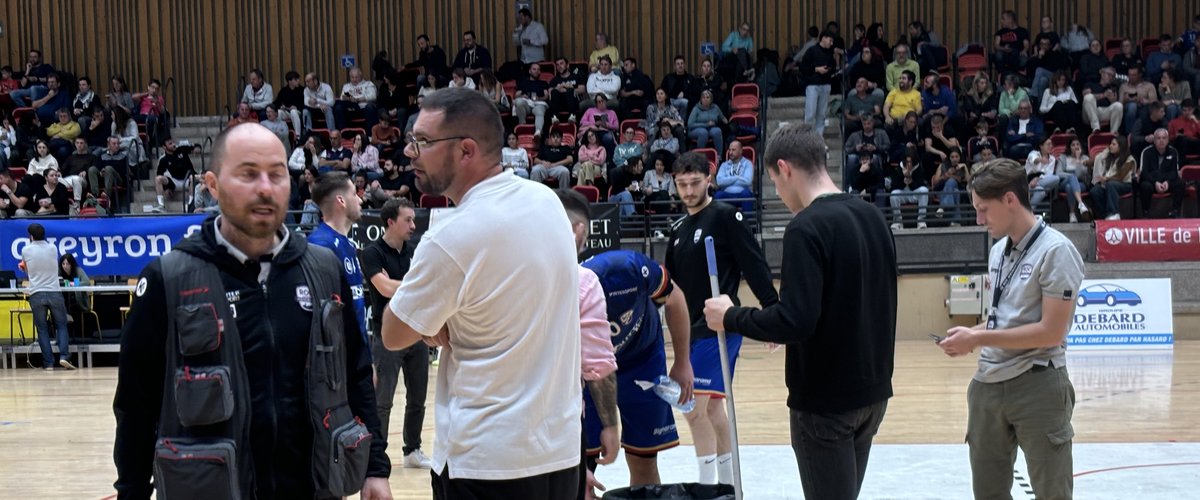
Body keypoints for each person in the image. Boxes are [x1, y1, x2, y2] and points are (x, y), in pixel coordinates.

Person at [113, 124, 392, 499]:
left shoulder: (324, 269)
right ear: (212, 184)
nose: (265, 187)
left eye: (277, 174)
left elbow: (356, 373)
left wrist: (375, 467)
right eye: (248, 173)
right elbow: (136, 402)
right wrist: (131, 490)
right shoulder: (168, 278)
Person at [380, 88, 581, 498]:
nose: (410, 152)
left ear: (466, 150)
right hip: (560, 453)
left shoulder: (452, 236)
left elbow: (394, 333)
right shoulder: (546, 202)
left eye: (422, 141)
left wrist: (434, 321)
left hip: (487, 461)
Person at [701, 122, 895, 499]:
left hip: (826, 404)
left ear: (785, 169)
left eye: (775, 182)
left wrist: (730, 315)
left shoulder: (806, 227)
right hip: (873, 395)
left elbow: (795, 321)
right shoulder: (873, 217)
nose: (778, 191)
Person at [938, 158, 1084, 500]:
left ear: (1009, 200)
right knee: (987, 492)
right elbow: (1002, 319)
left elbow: (1051, 332)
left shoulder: (1056, 251)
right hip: (988, 384)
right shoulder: (998, 251)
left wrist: (979, 337)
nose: (979, 219)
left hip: (1038, 384)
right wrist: (969, 335)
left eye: (983, 209)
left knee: (1053, 492)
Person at [565, 191, 694, 487]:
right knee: (578, 470)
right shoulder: (558, 290)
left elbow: (675, 299)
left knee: (644, 461)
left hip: (643, 361)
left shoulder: (626, 268)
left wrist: (683, 361)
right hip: (590, 374)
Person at [666, 151, 778, 485]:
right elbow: (669, 287)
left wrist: (772, 311)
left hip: (718, 329)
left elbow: (754, 264)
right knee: (712, 409)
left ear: (709, 178)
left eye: (694, 183)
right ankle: (728, 485)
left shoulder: (726, 217)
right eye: (682, 184)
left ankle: (706, 486)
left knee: (693, 409)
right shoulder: (677, 229)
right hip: (691, 332)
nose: (688, 191)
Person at [359, 198, 432, 469]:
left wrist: (399, 283)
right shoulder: (372, 253)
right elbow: (384, 288)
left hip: (418, 333)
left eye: (414, 219)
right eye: (408, 220)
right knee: (383, 401)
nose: (413, 225)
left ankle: (412, 450)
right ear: (390, 222)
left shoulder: (415, 250)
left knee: (418, 398)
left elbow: (424, 285)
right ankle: (377, 453)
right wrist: (413, 283)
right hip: (386, 336)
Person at [307, 172, 370, 350]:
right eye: (354, 194)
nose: (360, 200)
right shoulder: (320, 244)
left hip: (357, 350)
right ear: (341, 201)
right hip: (337, 358)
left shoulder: (348, 245)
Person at [19, 223, 76, 370]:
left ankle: (48, 363)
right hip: (54, 291)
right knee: (61, 325)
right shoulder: (52, 248)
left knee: (42, 328)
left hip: (36, 292)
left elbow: (28, 272)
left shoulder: (25, 250)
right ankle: (64, 356)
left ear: (30, 236)